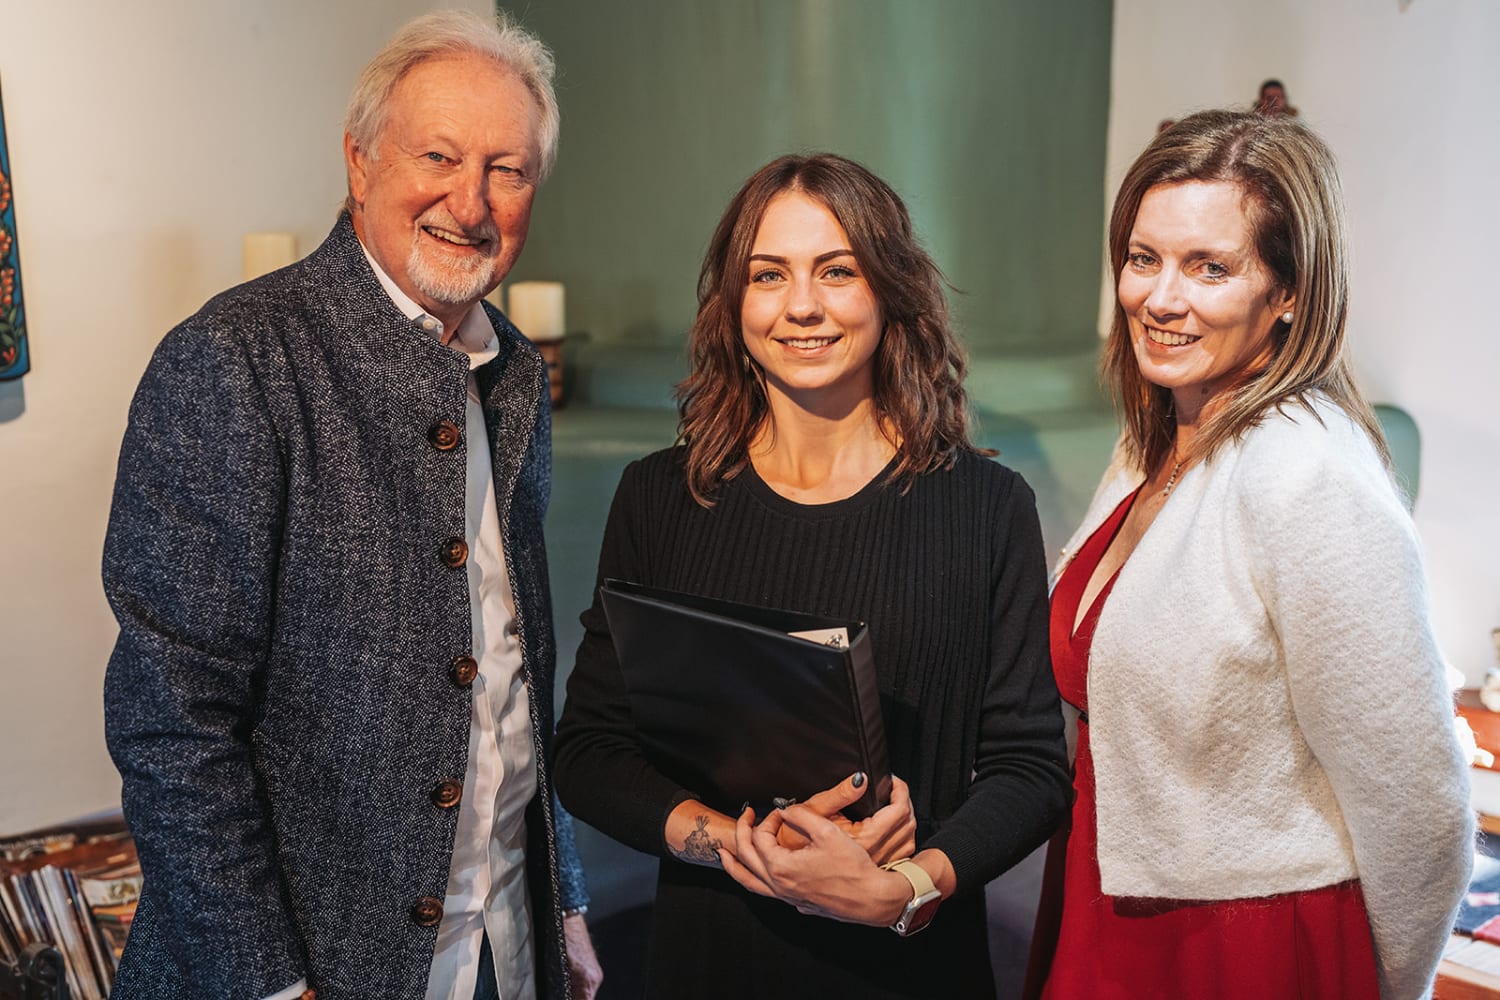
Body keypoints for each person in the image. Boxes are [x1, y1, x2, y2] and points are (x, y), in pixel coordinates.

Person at [102, 11, 603, 1000]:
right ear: (360, 163)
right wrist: (272, 987)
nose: (471, 201)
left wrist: (567, 895)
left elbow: (511, 680)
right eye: (438, 156)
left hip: (499, 946)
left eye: (508, 168)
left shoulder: (512, 380)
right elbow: (174, 727)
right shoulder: (236, 362)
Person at [553, 152, 1071, 998]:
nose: (802, 306)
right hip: (714, 959)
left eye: (837, 271)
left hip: (914, 967)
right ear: (733, 301)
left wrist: (904, 886)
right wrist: (737, 843)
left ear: (890, 290)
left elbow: (1030, 768)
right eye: (769, 275)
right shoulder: (661, 497)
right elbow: (591, 752)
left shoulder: (986, 507)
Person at [1026, 109, 1472, 1000]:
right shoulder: (1161, 436)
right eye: (1144, 257)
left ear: (1291, 291)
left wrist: (1371, 983)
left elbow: (1420, 807)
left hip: (1248, 948)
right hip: (1114, 903)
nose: (1160, 297)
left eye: (1210, 267)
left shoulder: (1306, 477)